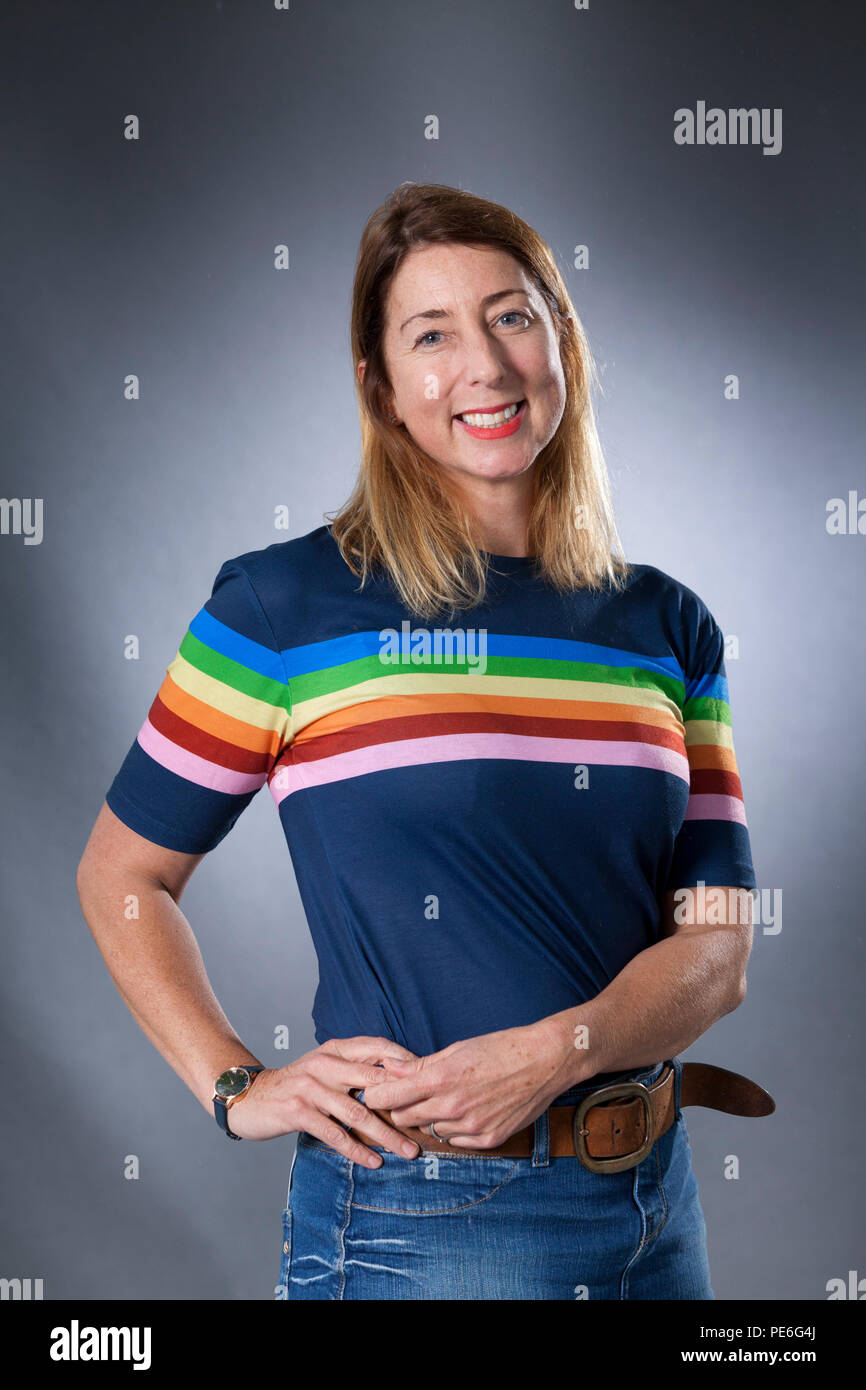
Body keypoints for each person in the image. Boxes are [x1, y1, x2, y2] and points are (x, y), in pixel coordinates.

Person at [77, 181, 765, 1301]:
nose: (484, 368)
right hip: (420, 1221)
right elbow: (123, 873)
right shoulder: (282, 608)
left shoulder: (668, 624)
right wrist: (233, 1083)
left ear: (560, 344)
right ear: (381, 387)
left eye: (510, 315)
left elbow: (719, 947)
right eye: (430, 335)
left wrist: (565, 1048)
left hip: (653, 1207)